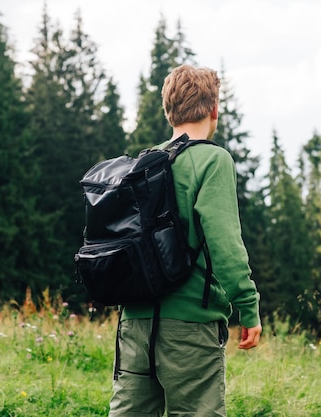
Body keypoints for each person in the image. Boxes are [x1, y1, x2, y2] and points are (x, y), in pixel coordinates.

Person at [108, 64, 262, 417]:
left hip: (134, 324)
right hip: (190, 327)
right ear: (214, 110)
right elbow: (224, 243)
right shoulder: (213, 160)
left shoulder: (144, 163)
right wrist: (248, 306)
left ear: (168, 111)